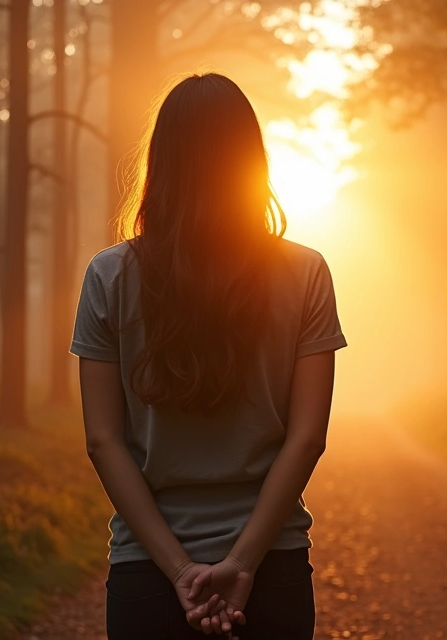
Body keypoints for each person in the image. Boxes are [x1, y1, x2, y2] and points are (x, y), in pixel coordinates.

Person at [71, 72, 346, 640]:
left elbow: (104, 441)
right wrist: (242, 562)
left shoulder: (108, 275)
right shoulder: (306, 273)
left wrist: (179, 570)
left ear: (161, 162)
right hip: (272, 566)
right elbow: (307, 436)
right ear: (252, 160)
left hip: (147, 572)